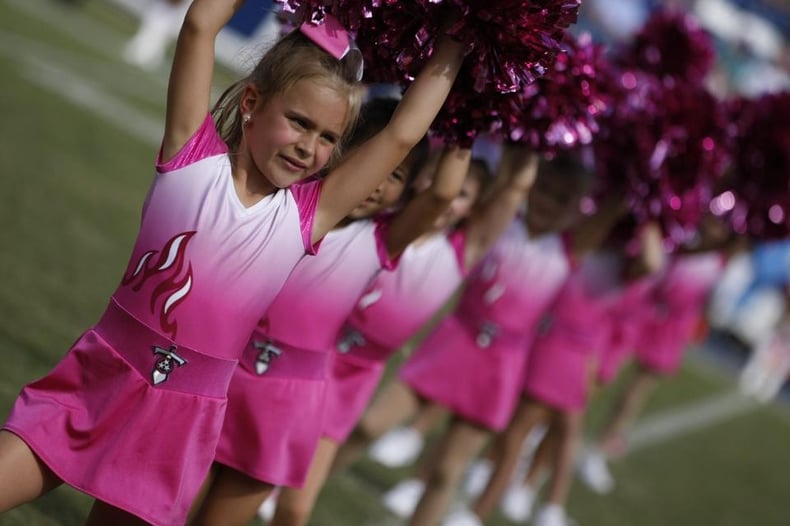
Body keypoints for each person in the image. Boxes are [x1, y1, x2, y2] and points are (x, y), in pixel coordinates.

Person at [0, 1, 465, 523]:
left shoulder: (308, 215)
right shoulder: (190, 156)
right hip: (97, 380)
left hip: (179, 417)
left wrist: (463, 38)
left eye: (329, 138)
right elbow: (201, 24)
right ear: (250, 102)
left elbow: (402, 134)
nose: (310, 147)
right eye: (299, 122)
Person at [190, 96, 473, 526]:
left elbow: (443, 194)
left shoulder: (384, 238)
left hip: (288, 401)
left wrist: (468, 116)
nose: (376, 183)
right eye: (369, 163)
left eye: (394, 176)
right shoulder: (289, 203)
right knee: (172, 507)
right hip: (222, 375)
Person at [265, 143, 540, 526]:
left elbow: (513, 192)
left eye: (462, 196)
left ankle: (291, 488)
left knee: (318, 468)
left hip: (361, 368)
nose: (447, 200)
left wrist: (536, 139)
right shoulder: (389, 223)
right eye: (439, 182)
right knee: (275, 433)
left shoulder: (464, 249)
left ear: (474, 208)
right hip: (319, 346)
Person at [385, 150, 594, 526]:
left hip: (503, 360)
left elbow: (618, 212)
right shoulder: (503, 219)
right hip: (459, 335)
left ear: (577, 209)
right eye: (544, 189)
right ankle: (407, 462)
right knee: (377, 424)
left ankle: (472, 514)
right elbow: (516, 173)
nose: (547, 201)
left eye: (562, 199)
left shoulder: (570, 248)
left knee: (458, 463)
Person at [451, 218, 665, 526]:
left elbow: (652, 261)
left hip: (576, 354)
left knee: (554, 431)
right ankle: (506, 501)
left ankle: (522, 505)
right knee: (522, 430)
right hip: (545, 341)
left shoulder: (623, 265)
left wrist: (651, 211)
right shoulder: (576, 244)